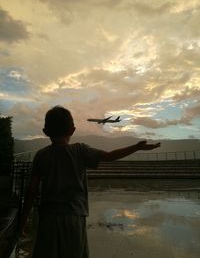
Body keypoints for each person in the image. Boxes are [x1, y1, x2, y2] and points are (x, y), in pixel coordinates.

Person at [19, 106, 160, 258]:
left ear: (45, 132)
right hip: (74, 217)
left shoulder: (41, 155)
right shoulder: (80, 151)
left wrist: (23, 218)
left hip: (47, 218)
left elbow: (31, 190)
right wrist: (136, 147)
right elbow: (110, 156)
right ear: (72, 130)